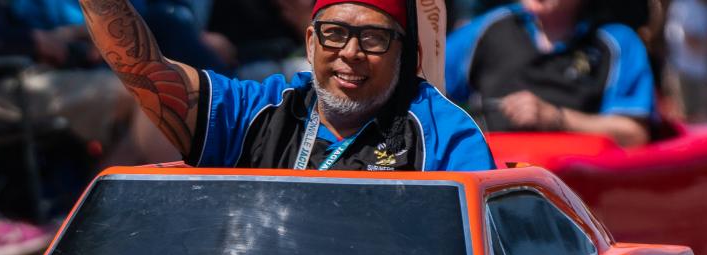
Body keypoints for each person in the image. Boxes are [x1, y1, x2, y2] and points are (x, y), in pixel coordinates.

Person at [75, 0, 495, 171]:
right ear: (311, 43)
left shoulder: (443, 133)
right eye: (334, 33)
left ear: (405, 57)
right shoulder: (261, 110)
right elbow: (145, 70)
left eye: (373, 39)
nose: (350, 52)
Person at [444, 0, 657, 147]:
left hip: (575, 191)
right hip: (495, 182)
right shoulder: (488, 28)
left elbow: (634, 133)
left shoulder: (616, 41)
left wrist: (556, 118)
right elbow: (430, 84)